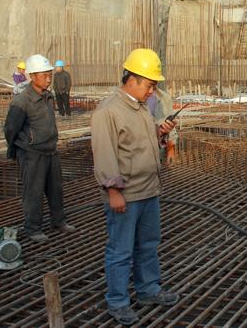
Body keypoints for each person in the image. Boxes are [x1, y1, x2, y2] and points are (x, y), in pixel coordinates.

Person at [91, 48, 179, 326]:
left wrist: (159, 133)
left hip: (148, 190)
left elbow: (140, 141)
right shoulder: (108, 111)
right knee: (121, 251)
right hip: (125, 196)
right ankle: (118, 301)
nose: (152, 92)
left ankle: (148, 290)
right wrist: (113, 191)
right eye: (149, 85)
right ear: (132, 79)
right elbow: (104, 153)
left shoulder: (140, 108)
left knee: (148, 245)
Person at [3, 54, 76, 242]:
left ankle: (58, 221)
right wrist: (16, 150)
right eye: (44, 76)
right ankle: (33, 228)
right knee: (33, 192)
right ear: (32, 76)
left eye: (49, 75)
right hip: (31, 153)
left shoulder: (48, 96)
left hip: (50, 150)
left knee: (55, 189)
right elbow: (10, 129)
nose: (49, 79)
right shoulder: (22, 100)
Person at [146, 88, 178, 168]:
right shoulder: (134, 97)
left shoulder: (165, 98)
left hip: (157, 153)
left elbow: (170, 126)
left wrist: (170, 149)